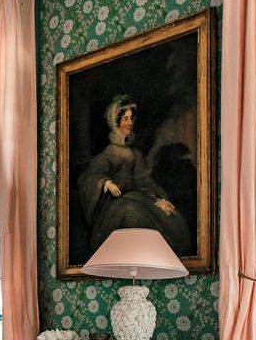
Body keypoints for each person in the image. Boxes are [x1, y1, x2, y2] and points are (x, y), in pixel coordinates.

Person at [76, 94, 192, 257]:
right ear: (115, 123)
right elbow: (89, 178)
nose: (130, 123)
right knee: (131, 211)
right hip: (115, 207)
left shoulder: (135, 154)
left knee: (169, 217)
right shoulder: (107, 155)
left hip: (139, 198)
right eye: (125, 118)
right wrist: (106, 183)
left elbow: (144, 183)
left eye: (131, 118)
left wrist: (159, 200)